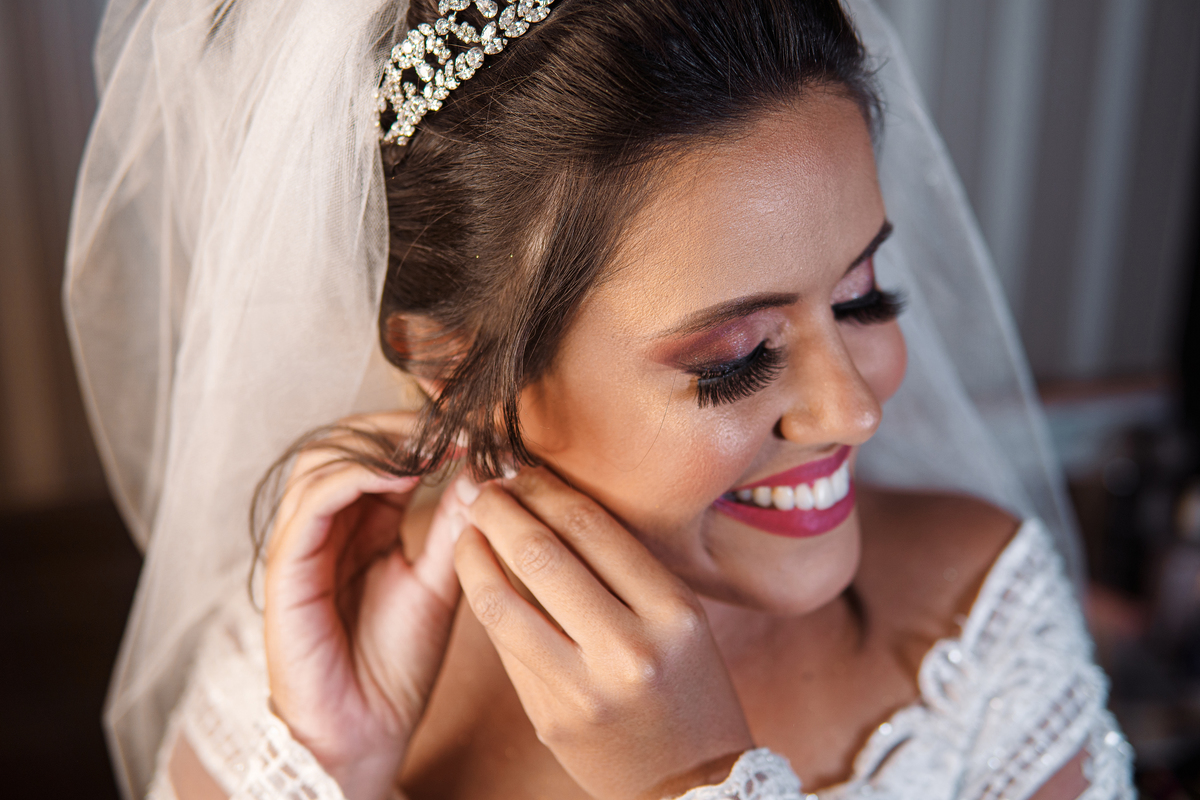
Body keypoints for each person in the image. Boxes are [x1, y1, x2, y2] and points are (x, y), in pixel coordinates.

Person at [64, 0, 1135, 798]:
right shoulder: (306, 665)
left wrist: (696, 781)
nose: (852, 411)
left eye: (862, 297)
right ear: (454, 368)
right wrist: (331, 769)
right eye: (736, 357)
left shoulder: (979, 616)